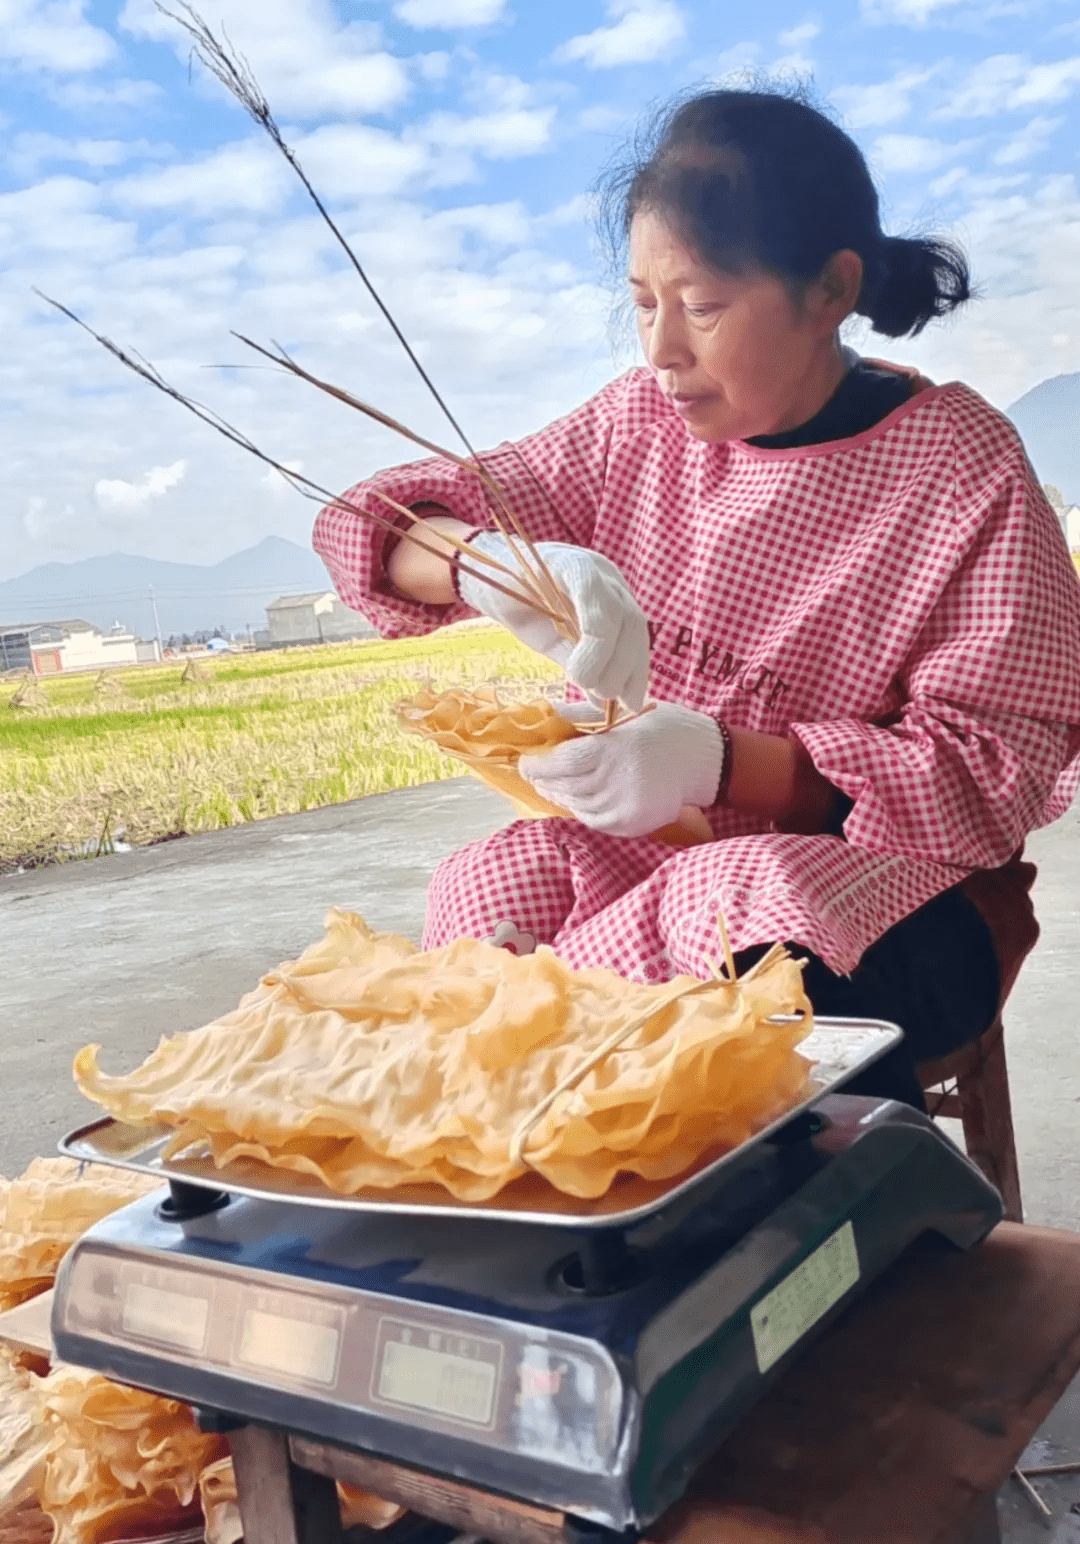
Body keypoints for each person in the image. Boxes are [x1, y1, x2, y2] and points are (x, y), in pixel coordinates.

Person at [314, 86, 1080, 1109]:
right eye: (642, 302)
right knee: (492, 889)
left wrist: (718, 759)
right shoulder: (637, 427)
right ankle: (550, 1196)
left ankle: (760, 1241)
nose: (662, 349)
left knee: (728, 917)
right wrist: (480, 559)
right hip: (656, 847)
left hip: (893, 897)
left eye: (703, 305)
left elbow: (991, 777)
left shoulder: (958, 467)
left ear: (830, 291)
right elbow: (375, 522)